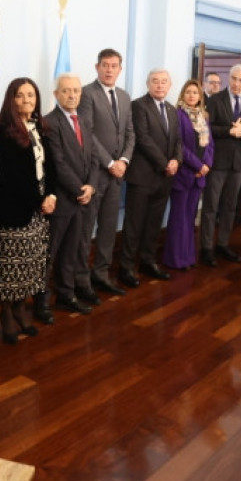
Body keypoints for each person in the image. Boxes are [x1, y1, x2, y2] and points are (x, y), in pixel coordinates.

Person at [0, 78, 55, 341]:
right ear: (11, 99)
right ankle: (6, 311)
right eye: (21, 95)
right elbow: (11, 175)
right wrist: (37, 201)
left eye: (31, 95)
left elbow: (51, 167)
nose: (27, 100)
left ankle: (20, 308)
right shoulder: (3, 130)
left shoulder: (40, 127)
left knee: (31, 262)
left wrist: (51, 195)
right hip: (15, 208)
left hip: (40, 207)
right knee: (11, 265)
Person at [76, 48, 135, 298]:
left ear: (120, 69)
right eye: (105, 65)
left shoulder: (123, 96)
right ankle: (80, 280)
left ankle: (101, 274)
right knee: (85, 228)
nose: (109, 69)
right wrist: (109, 162)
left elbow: (130, 133)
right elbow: (87, 133)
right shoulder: (87, 94)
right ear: (97, 67)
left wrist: (122, 160)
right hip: (94, 173)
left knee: (109, 228)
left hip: (117, 174)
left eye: (114, 65)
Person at [117, 68, 181, 286]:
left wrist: (176, 161)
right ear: (148, 84)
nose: (160, 85)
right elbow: (143, 139)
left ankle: (147, 261)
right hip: (142, 177)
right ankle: (126, 267)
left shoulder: (172, 110)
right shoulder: (138, 106)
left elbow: (178, 141)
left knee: (154, 224)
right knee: (134, 225)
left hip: (164, 179)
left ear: (170, 85)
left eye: (164, 81)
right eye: (155, 81)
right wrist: (165, 164)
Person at [41, 73, 98, 315]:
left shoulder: (84, 120)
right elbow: (58, 163)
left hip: (82, 199)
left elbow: (93, 157)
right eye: (66, 91)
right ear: (56, 95)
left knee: (71, 252)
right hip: (62, 200)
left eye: (76, 90)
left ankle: (66, 295)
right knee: (50, 253)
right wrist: (78, 189)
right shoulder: (48, 123)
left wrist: (91, 186)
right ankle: (42, 303)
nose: (72, 94)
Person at [201, 64, 241, 266]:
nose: (237, 83)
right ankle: (206, 248)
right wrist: (230, 131)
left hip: (239, 163)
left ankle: (223, 244)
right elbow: (207, 129)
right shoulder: (214, 100)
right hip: (217, 161)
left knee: (230, 206)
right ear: (229, 77)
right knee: (211, 206)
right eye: (234, 79)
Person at [163, 79, 213, 270]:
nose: (192, 96)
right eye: (188, 92)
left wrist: (207, 164)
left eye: (195, 93)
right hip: (184, 174)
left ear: (200, 97)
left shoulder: (204, 117)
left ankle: (188, 257)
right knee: (179, 218)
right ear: (182, 95)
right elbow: (179, 145)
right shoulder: (177, 115)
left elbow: (210, 144)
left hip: (200, 176)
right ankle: (175, 259)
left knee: (190, 217)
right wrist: (198, 165)